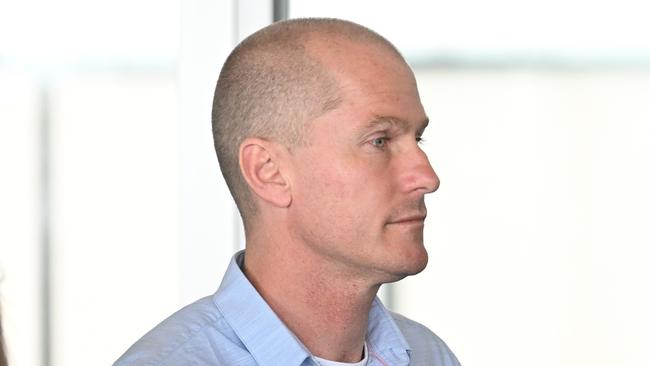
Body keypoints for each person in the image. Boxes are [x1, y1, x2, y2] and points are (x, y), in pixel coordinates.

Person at [115, 18, 460, 366]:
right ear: (269, 172)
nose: (427, 177)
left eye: (417, 139)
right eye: (379, 141)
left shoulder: (429, 356)